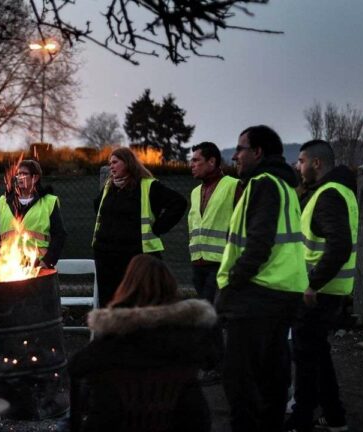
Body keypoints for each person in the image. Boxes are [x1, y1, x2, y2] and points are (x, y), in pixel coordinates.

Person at [216, 125, 308, 432]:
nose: (235, 155)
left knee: (240, 378)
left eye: (240, 149)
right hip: (284, 291)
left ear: (258, 152)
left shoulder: (263, 184)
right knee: (273, 372)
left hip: (258, 294)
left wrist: (232, 286)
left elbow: (259, 242)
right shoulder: (285, 186)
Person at [68, 254, 217, 432]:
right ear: (171, 289)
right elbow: (199, 417)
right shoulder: (188, 343)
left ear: (127, 288)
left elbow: (75, 369)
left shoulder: (108, 346)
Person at [284, 140, 356, 432]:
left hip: (318, 293)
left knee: (306, 358)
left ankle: (301, 419)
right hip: (329, 290)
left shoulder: (327, 196)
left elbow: (338, 247)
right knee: (317, 354)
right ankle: (334, 417)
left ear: (316, 163)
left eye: (301, 161)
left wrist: (312, 284)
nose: (298, 167)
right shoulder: (338, 192)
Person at [92, 147, 187, 307]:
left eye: (115, 162)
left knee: (135, 302)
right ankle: (110, 331)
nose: (111, 167)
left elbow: (179, 203)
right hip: (106, 256)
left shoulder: (148, 186)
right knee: (109, 304)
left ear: (128, 163)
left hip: (135, 256)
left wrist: (158, 227)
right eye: (110, 163)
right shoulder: (109, 187)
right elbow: (98, 207)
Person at [188, 141, 241, 385]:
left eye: (197, 160)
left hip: (220, 263)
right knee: (208, 315)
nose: (192, 165)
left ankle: (215, 365)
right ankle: (216, 363)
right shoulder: (195, 191)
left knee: (210, 315)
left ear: (213, 162)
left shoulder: (233, 186)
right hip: (198, 263)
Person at [0, 159, 67, 268]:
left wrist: (47, 261)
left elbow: (59, 235)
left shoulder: (48, 202)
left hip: (37, 265)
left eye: (24, 174)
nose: (20, 177)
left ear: (35, 178)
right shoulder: (4, 201)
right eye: (18, 174)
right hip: (8, 265)